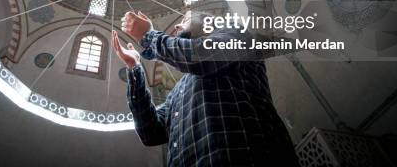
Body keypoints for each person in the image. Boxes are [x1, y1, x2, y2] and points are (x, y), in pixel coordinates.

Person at [111, 10, 299, 167]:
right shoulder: (178, 91)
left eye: (184, 19)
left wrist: (148, 36)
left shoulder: (238, 36)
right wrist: (135, 69)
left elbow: (201, 56)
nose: (176, 27)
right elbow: (150, 132)